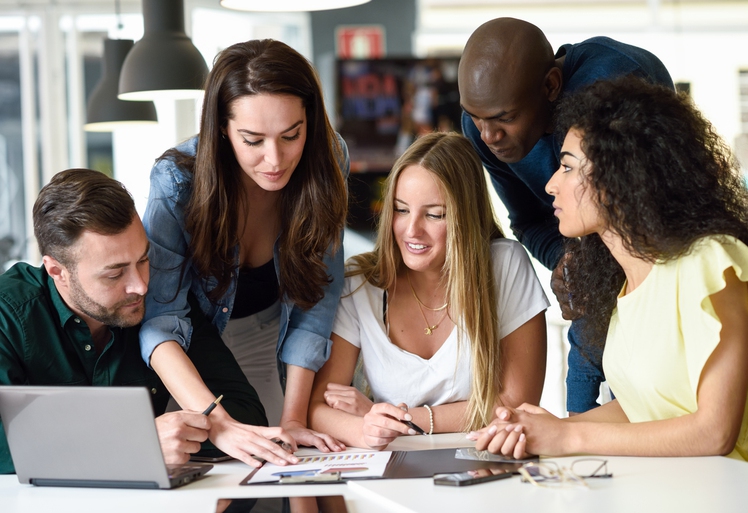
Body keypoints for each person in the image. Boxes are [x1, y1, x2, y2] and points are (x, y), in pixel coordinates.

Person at [471, 76, 748, 465]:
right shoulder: (625, 287)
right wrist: (541, 429)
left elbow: (715, 431)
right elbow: (641, 409)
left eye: (566, 167)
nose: (549, 185)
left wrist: (569, 434)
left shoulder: (710, 262)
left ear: (618, 177)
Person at [140, 39, 349, 466]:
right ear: (220, 127)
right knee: (204, 462)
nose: (275, 159)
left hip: (270, 333)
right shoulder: (175, 182)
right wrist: (214, 419)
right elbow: (160, 320)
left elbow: (317, 295)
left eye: (291, 135)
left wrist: (294, 417)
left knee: (276, 456)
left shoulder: (328, 160)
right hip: (190, 345)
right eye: (253, 140)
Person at [457, 17, 675, 414]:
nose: (488, 136)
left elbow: (637, 228)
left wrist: (573, 424)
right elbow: (527, 222)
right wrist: (566, 261)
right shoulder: (483, 126)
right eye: (474, 117)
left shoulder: (612, 87)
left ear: (551, 86)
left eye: (504, 118)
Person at [0, 169, 278, 474]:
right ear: (57, 272)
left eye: (144, 260)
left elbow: (246, 416)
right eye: (114, 274)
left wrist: (181, 433)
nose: (141, 286)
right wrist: (136, 443)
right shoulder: (8, 315)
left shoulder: (161, 299)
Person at [307, 132, 549, 450]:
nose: (411, 230)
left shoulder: (504, 265)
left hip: (483, 469)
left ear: (467, 218)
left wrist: (403, 420)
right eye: (401, 209)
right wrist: (367, 428)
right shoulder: (360, 283)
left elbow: (515, 406)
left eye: (434, 214)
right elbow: (317, 410)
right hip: (392, 470)